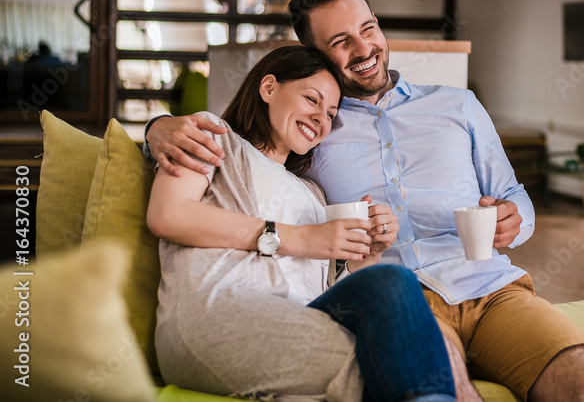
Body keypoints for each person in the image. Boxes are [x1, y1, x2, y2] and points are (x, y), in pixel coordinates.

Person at [147, 0, 584, 402]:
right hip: (403, 302)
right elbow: (238, 162)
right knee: (446, 382)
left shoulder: (457, 106)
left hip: (488, 286)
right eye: (341, 41)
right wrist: (157, 128)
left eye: (369, 29)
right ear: (317, 55)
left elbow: (513, 194)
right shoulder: (313, 138)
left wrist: (515, 219)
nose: (364, 49)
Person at [146, 45, 474, 402]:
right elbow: (169, 215)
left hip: (297, 317)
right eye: (312, 100)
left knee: (392, 281)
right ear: (269, 88)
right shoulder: (215, 138)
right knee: (395, 361)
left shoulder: (314, 193)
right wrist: (300, 238)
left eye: (331, 112)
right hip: (217, 315)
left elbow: (325, 289)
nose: (322, 118)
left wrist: (368, 252)